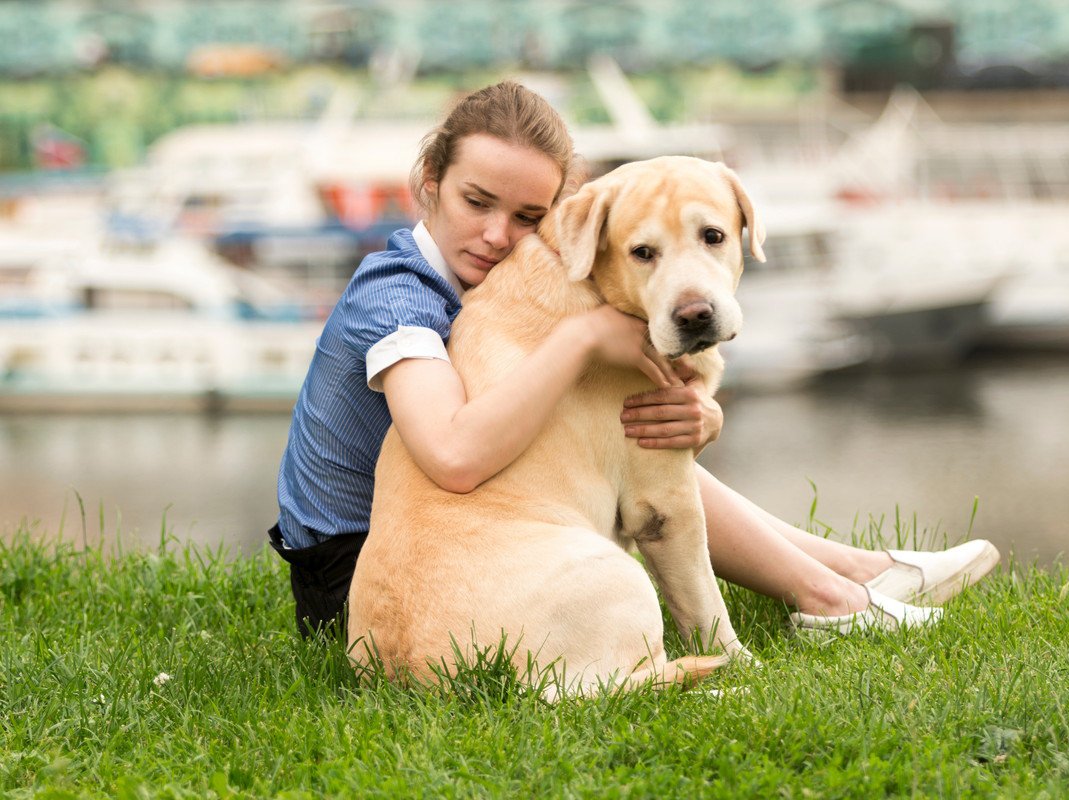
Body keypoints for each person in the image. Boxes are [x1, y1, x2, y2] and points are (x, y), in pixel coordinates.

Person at [269, 80, 998, 639]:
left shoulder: (495, 291)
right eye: (475, 201)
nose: (497, 236)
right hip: (370, 578)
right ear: (428, 177)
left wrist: (698, 415)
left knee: (638, 440)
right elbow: (455, 456)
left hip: (453, 551)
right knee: (634, 454)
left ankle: (856, 574)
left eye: (529, 219)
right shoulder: (396, 297)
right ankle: (835, 592)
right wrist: (583, 339)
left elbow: (587, 433)